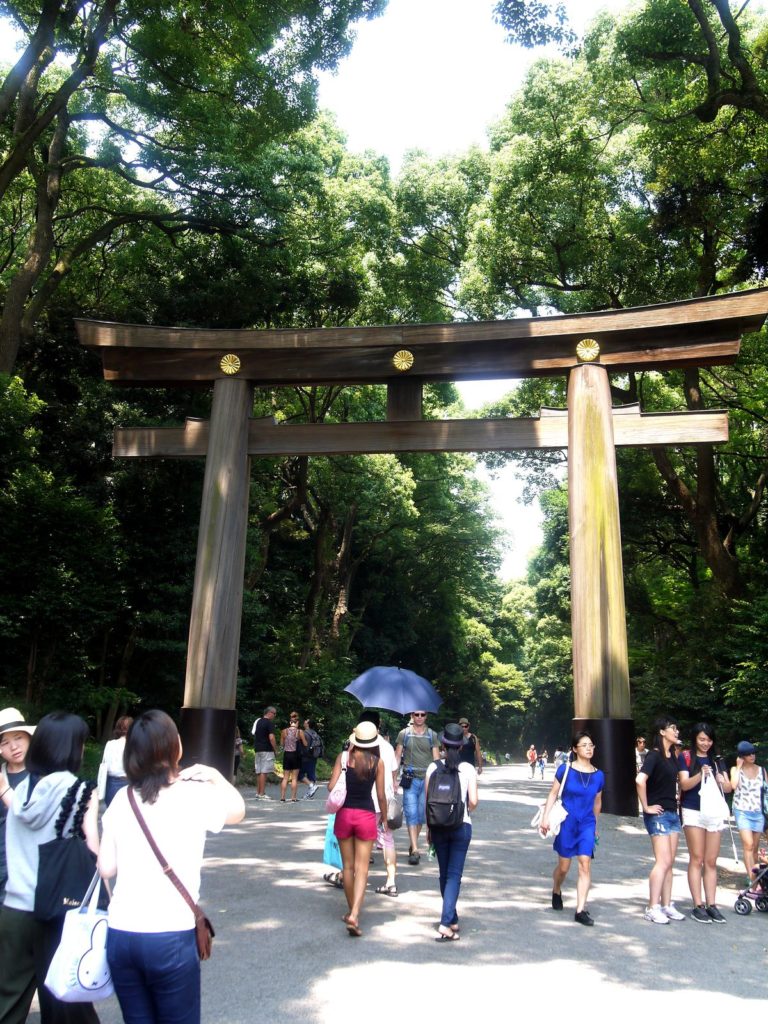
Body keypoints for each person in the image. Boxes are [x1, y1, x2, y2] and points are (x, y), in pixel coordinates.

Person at [98, 709, 245, 1024]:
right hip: (170, 936)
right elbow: (237, 811)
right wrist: (216, 775)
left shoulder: (122, 800)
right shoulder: (193, 794)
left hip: (122, 934)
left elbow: (106, 868)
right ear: (175, 746)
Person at [0, 711, 100, 1024]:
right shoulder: (81, 791)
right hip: (56, 911)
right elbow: (95, 852)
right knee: (63, 1004)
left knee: (8, 1002)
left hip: (14, 909)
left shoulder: (20, 789)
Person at [327, 721, 387, 937]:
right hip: (366, 816)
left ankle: (351, 911)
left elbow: (331, 787)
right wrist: (386, 818)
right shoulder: (377, 763)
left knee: (348, 867)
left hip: (344, 815)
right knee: (362, 869)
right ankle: (354, 913)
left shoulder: (343, 758)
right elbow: (380, 795)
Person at [538, 731, 603, 925]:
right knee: (564, 867)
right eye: (584, 745)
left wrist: (595, 826)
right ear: (575, 749)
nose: (589, 748)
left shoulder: (599, 775)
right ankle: (557, 888)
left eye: (591, 745)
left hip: (587, 823)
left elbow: (598, 802)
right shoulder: (565, 770)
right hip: (567, 821)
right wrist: (545, 818)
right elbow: (552, 794)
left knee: (585, 863)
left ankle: (580, 909)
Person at [425, 723, 479, 941]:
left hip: (437, 826)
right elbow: (474, 801)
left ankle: (452, 917)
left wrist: (429, 828)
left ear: (443, 744)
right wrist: (463, 807)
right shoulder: (467, 769)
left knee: (444, 874)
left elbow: (428, 801)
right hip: (461, 826)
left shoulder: (433, 767)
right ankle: (446, 923)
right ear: (462, 745)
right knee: (454, 876)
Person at [678, 722, 732, 923]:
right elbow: (684, 784)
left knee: (711, 860)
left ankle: (712, 904)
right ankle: (697, 904)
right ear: (694, 739)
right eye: (702, 739)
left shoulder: (718, 760)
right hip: (693, 810)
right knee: (697, 858)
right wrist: (701, 774)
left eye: (709, 739)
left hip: (714, 813)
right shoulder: (686, 757)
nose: (705, 743)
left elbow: (727, 788)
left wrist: (721, 780)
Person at [636, 716, 685, 925]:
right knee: (663, 861)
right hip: (658, 815)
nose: (677, 731)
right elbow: (640, 780)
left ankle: (666, 905)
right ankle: (652, 907)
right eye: (673, 728)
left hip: (673, 814)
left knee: (669, 863)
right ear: (662, 732)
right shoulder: (654, 756)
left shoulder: (672, 756)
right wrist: (646, 807)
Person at [357, 710, 399, 897]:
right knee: (388, 840)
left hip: (367, 801)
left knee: (362, 841)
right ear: (378, 725)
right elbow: (393, 773)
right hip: (386, 802)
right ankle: (391, 883)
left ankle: (354, 878)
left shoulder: (358, 747)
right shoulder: (388, 747)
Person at [395, 712, 440, 864]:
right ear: (412, 716)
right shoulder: (404, 734)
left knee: (421, 815)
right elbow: (397, 755)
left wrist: (438, 781)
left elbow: (436, 760)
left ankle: (412, 843)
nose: (419, 717)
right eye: (416, 714)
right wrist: (393, 778)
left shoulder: (432, 735)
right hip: (410, 778)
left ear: (426, 717)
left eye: (422, 714)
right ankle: (415, 849)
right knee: (411, 812)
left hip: (427, 780)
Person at [0, 708, 34, 904]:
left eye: (18, 738)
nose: (13, 747)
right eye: (5, 742)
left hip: (29, 862)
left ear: (29, 738)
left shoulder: (44, 775)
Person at [730, 740, 766, 895]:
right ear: (742, 756)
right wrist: (738, 767)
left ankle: (755, 879)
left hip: (758, 812)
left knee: (755, 849)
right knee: (748, 845)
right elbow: (733, 785)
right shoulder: (735, 769)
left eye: (753, 753)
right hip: (742, 810)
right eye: (748, 754)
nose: (752, 756)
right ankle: (752, 883)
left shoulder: (762, 770)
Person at [98, 715, 133, 807]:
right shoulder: (135, 745)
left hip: (112, 783)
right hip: (131, 782)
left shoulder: (110, 744)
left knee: (111, 812)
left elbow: (105, 764)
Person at [251, 705, 277, 799]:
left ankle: (258, 792)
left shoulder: (258, 722)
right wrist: (275, 749)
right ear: (269, 713)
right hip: (267, 749)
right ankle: (262, 793)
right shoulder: (269, 723)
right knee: (264, 772)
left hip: (258, 749)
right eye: (274, 713)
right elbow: (271, 737)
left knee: (259, 771)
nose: (274, 715)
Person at [279, 712, 306, 803]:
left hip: (287, 755)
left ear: (290, 722)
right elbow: (305, 743)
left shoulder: (284, 731)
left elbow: (282, 744)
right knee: (294, 778)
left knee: (285, 777)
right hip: (296, 755)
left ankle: (282, 797)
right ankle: (293, 797)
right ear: (297, 723)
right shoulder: (300, 732)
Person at [298, 718, 321, 799]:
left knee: (299, 774)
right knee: (311, 775)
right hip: (313, 756)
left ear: (308, 724)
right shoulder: (315, 733)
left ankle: (311, 786)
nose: (304, 722)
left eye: (305, 721)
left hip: (305, 756)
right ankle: (309, 794)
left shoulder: (304, 733)